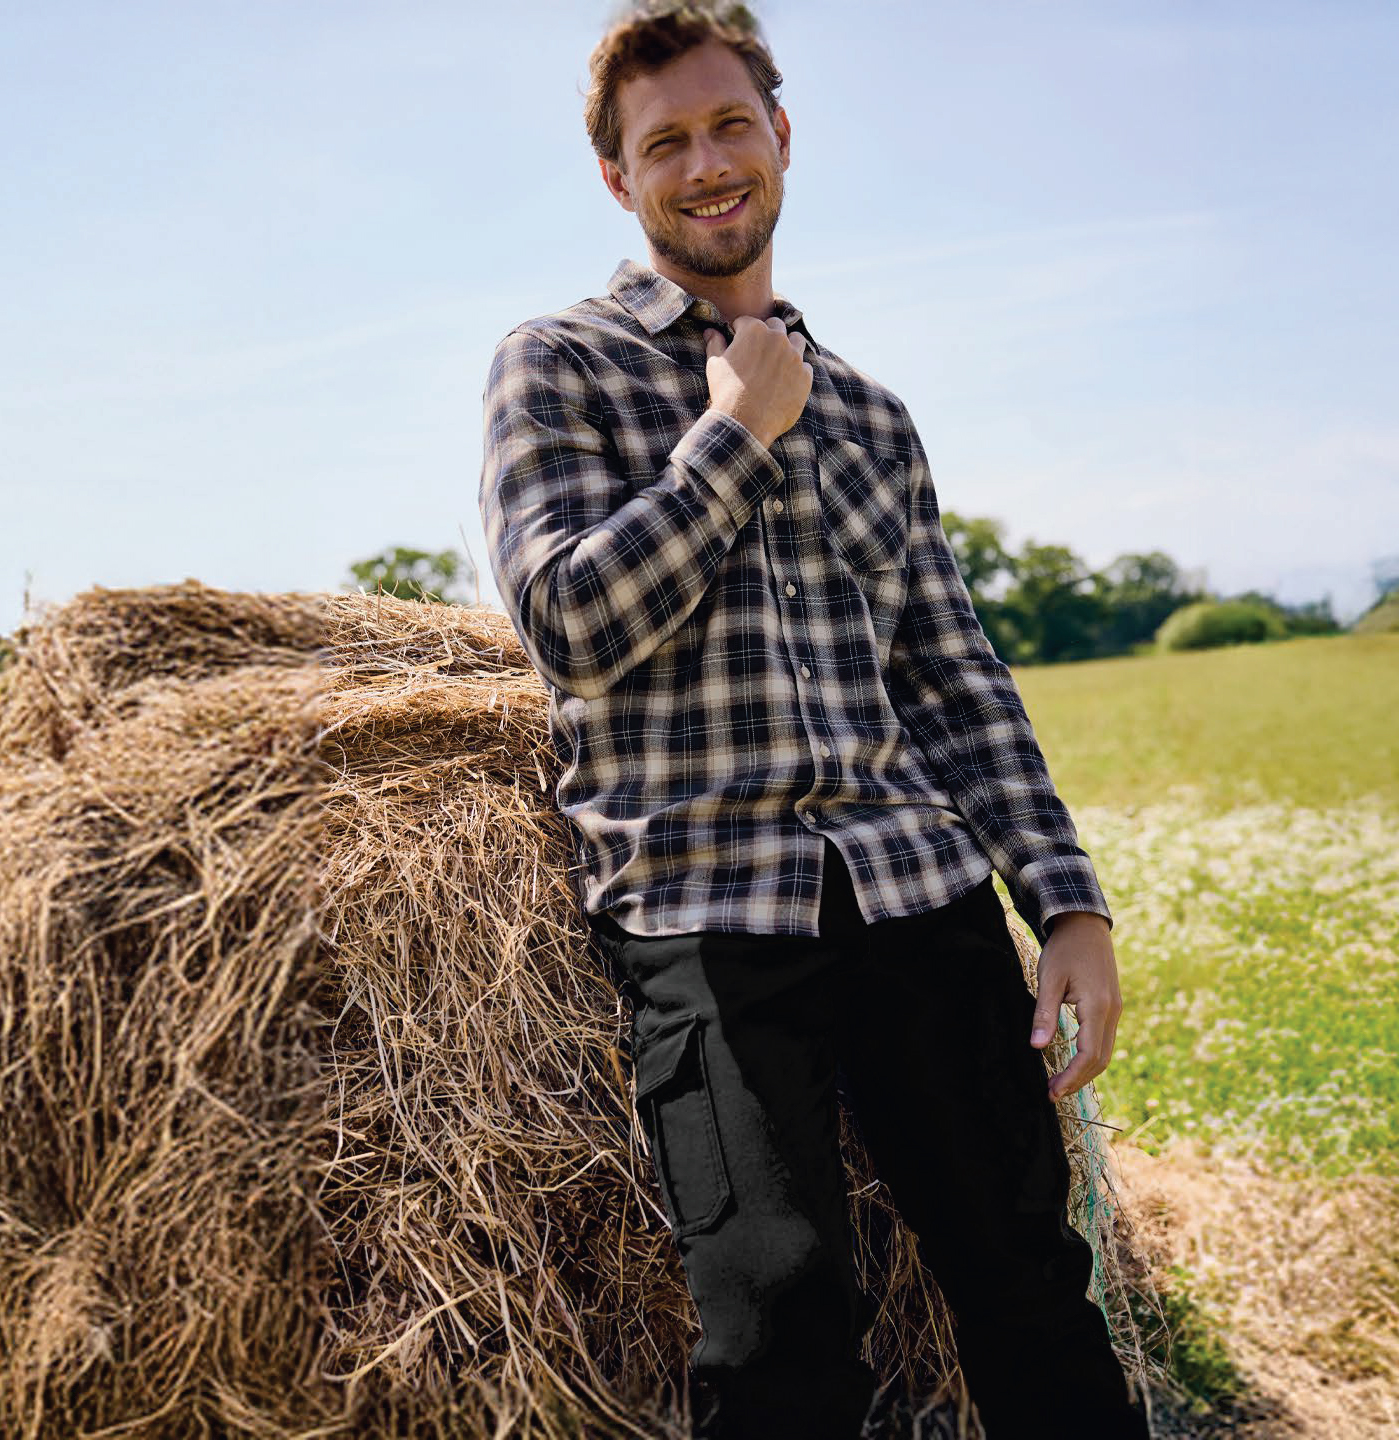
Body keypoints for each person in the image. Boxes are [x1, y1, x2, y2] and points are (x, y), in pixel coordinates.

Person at [477, 4, 1152, 1435]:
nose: (707, 164)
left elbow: (951, 669)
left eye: (731, 126)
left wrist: (1066, 901)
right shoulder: (558, 366)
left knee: (1030, 1289)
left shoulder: (875, 415)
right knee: (777, 1322)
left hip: (917, 891)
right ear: (620, 180)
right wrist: (732, 435)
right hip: (706, 911)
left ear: (781, 137)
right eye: (667, 144)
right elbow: (571, 629)